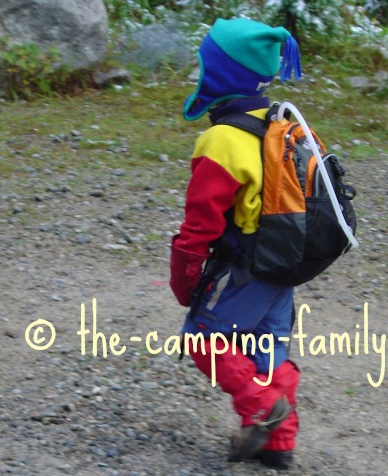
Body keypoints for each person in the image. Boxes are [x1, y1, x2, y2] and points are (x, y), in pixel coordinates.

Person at [169, 17, 302, 470]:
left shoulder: (221, 140)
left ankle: (263, 409)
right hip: (282, 263)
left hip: (243, 264)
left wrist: (184, 275)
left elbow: (201, 225)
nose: (199, 72)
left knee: (204, 338)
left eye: (205, 64)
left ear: (221, 74)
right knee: (268, 347)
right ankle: (278, 444)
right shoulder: (282, 123)